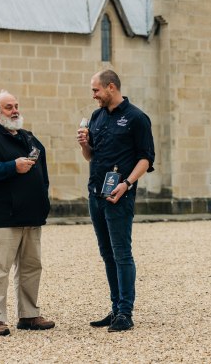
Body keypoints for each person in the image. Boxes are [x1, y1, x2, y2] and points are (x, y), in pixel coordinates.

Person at [77, 70, 155, 332]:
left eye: (96, 90)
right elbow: (91, 157)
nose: (93, 95)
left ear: (111, 87)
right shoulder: (96, 117)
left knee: (122, 253)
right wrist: (84, 145)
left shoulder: (137, 118)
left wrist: (127, 184)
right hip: (96, 194)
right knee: (107, 253)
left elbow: (145, 159)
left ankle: (125, 312)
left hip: (120, 195)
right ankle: (114, 308)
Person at [0, 90, 55, 336]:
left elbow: (43, 172)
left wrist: (43, 200)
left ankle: (29, 315)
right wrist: (12, 166)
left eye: (16, 106)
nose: (15, 110)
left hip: (31, 215)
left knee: (32, 267)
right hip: (3, 216)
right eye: (9, 107)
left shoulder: (29, 138)